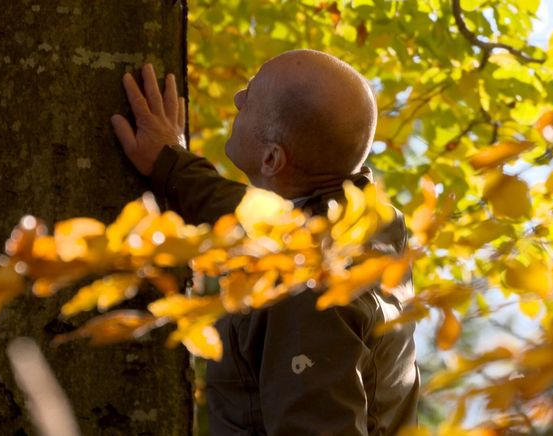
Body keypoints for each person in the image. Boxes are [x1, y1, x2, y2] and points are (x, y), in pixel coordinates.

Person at [111, 50, 419, 436]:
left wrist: (171, 165)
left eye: (251, 98)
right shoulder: (374, 225)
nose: (239, 98)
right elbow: (266, 225)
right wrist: (172, 165)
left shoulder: (307, 293)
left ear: (273, 159)